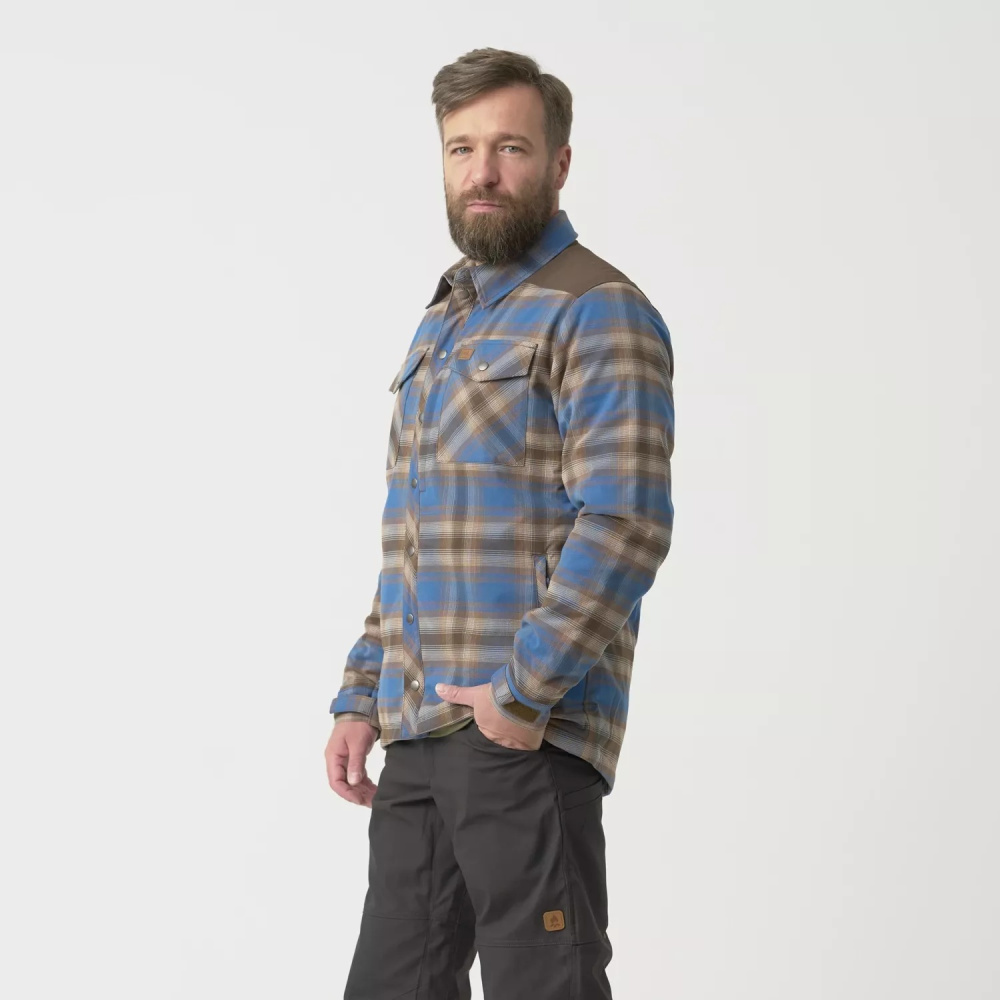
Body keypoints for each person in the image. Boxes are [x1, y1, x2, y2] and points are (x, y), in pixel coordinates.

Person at [324, 46, 675, 1000]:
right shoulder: (446, 320)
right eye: (461, 149)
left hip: (525, 735)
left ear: (558, 163)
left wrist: (523, 693)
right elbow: (415, 536)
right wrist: (361, 694)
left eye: (509, 147)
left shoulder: (597, 309)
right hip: (416, 731)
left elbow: (627, 522)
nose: (482, 172)